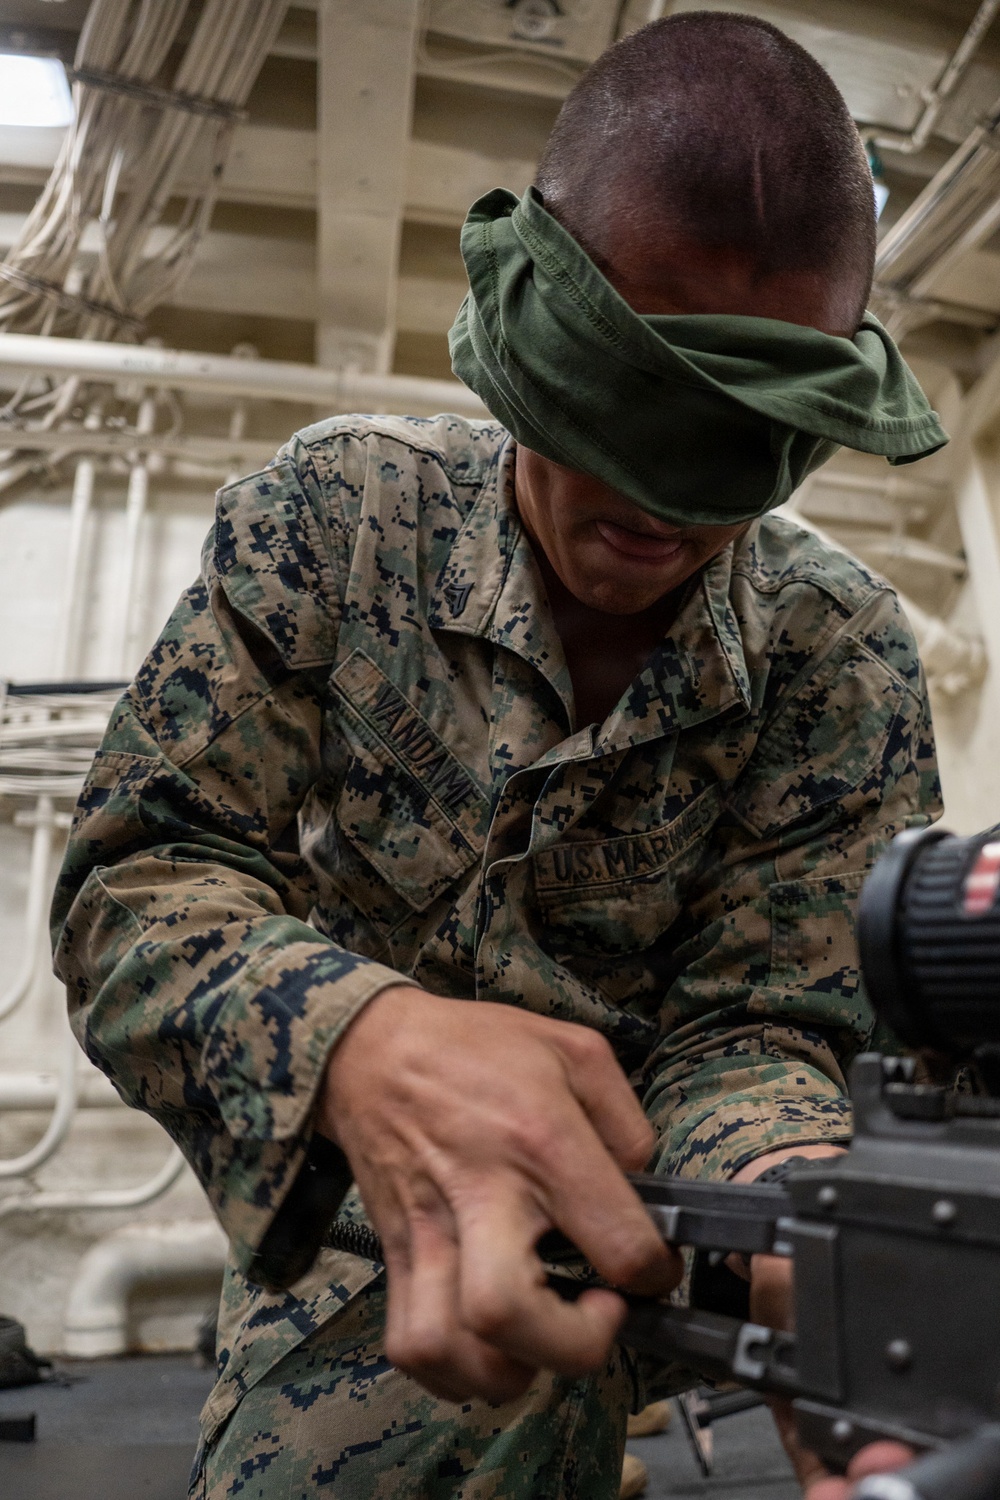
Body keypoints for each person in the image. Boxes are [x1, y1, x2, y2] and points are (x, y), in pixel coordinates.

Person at [52, 13, 946, 1500]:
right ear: (536, 322)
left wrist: (800, 1215)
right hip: (371, 1229)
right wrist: (359, 1038)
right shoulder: (337, 522)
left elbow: (768, 1025)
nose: (664, 509)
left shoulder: (835, 647)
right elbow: (135, 884)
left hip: (689, 1225)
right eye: (633, 415)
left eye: (730, 449)